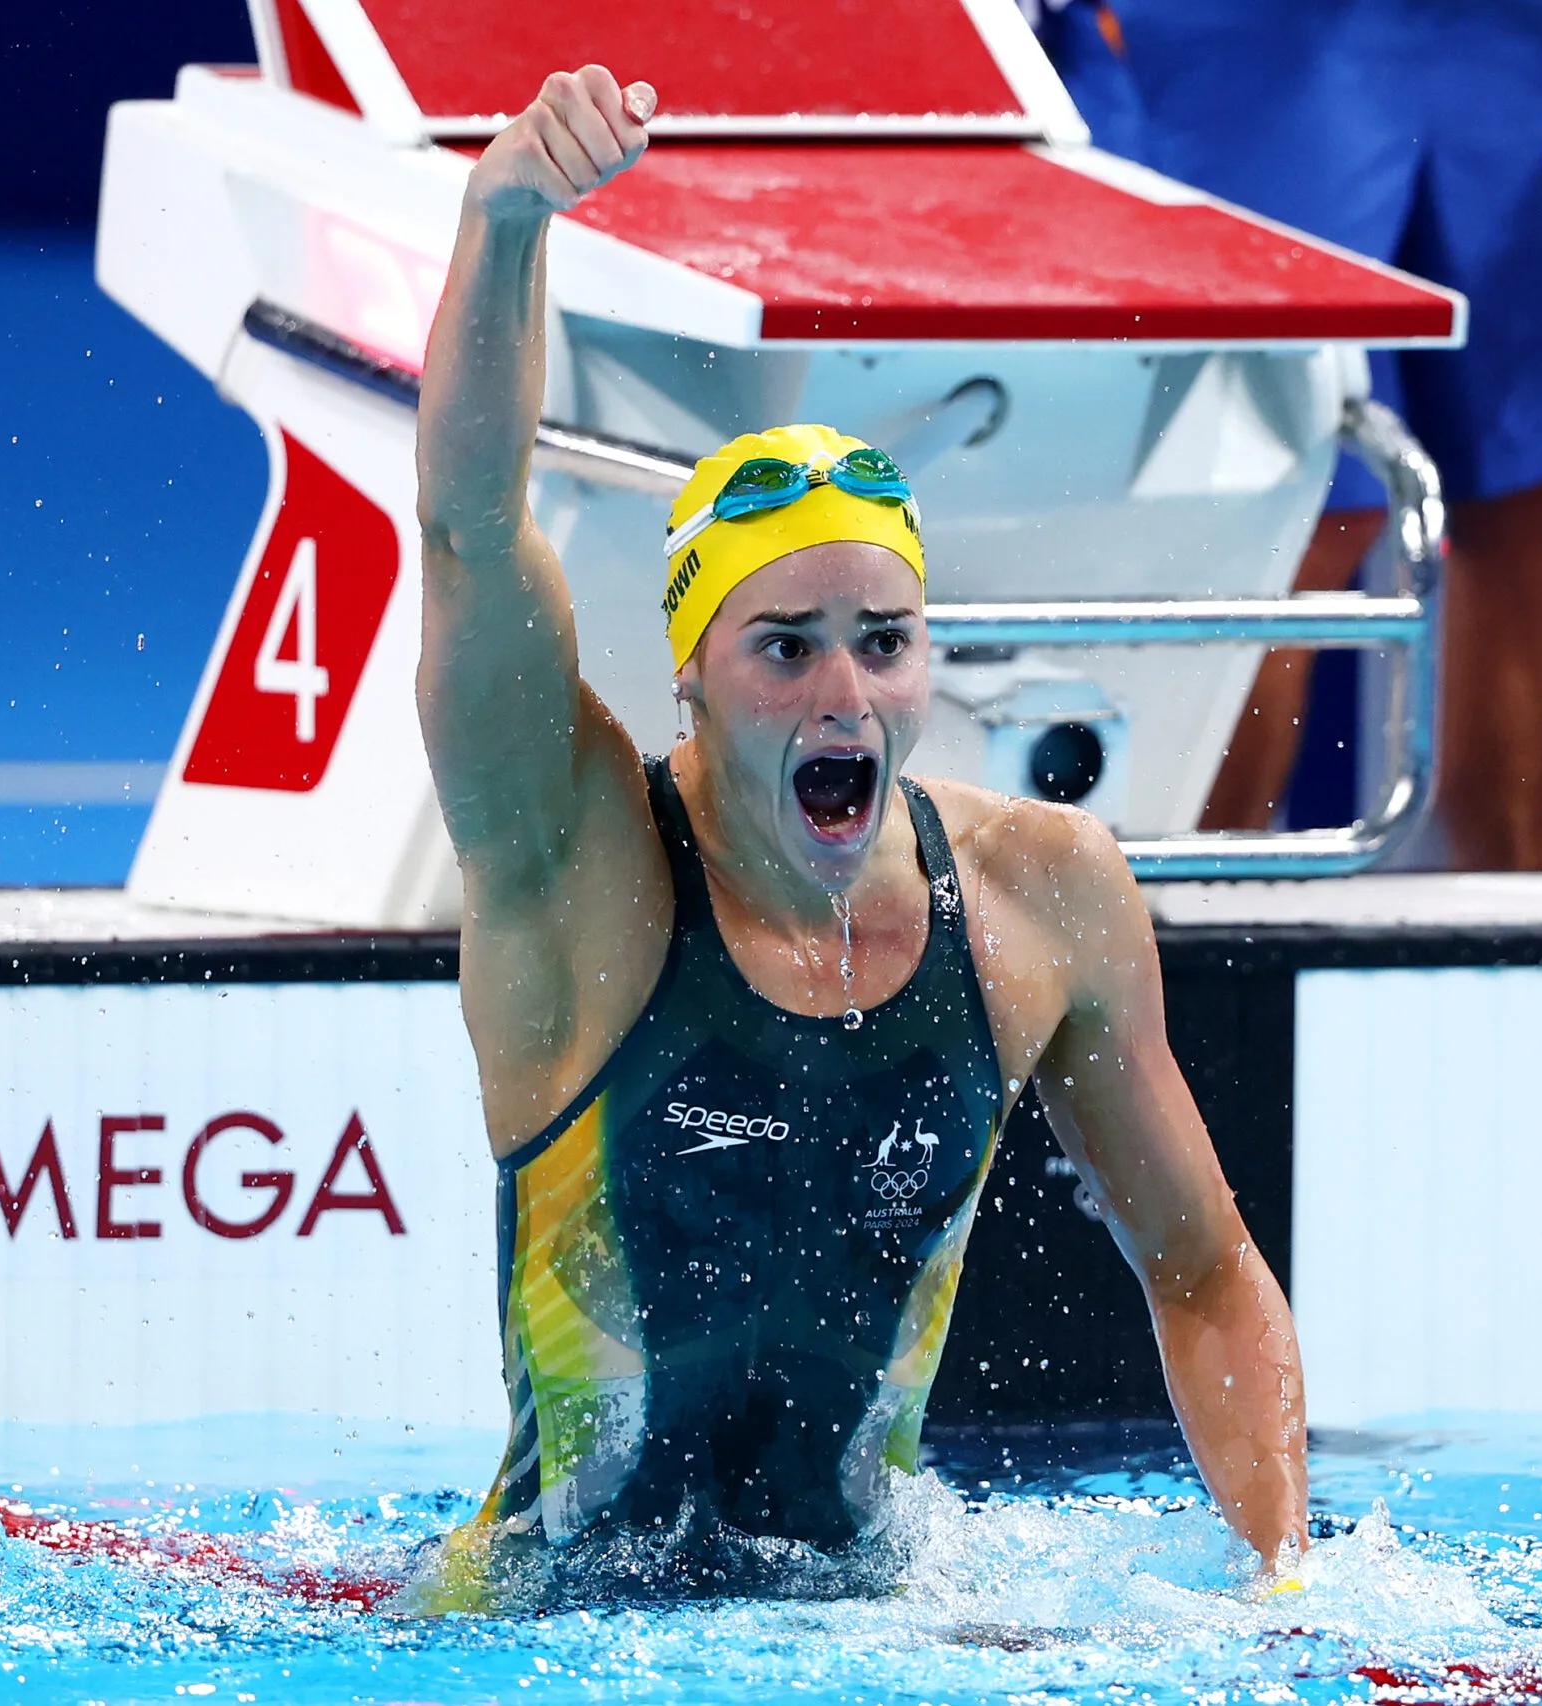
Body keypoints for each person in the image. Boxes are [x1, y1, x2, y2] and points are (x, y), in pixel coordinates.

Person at [395, 64, 1306, 1611]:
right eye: (788, 644)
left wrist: (1284, 1590)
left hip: (872, 1610)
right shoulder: (585, 871)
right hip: (552, 1624)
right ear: (690, 667)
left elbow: (1209, 1272)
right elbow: (472, 527)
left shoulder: (1040, 896)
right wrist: (507, 221)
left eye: (884, 640)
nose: (845, 693)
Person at [1047, 1, 1542, 868]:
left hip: (1506, 36)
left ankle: (1534, 955)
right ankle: (1198, 953)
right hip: (1236, 34)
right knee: (1288, 505)